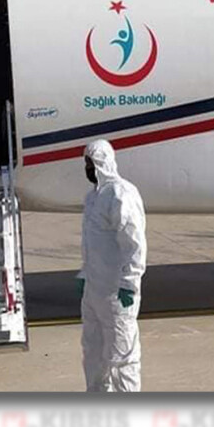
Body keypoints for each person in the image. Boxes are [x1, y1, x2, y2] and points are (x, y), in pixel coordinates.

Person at [77, 139, 147, 392]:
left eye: (90, 163)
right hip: (94, 292)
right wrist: (85, 276)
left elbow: (134, 243)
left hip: (117, 294)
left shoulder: (121, 194)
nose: (87, 168)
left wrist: (129, 284)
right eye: (85, 163)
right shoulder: (93, 198)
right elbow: (92, 243)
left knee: (122, 356)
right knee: (93, 351)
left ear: (101, 163)